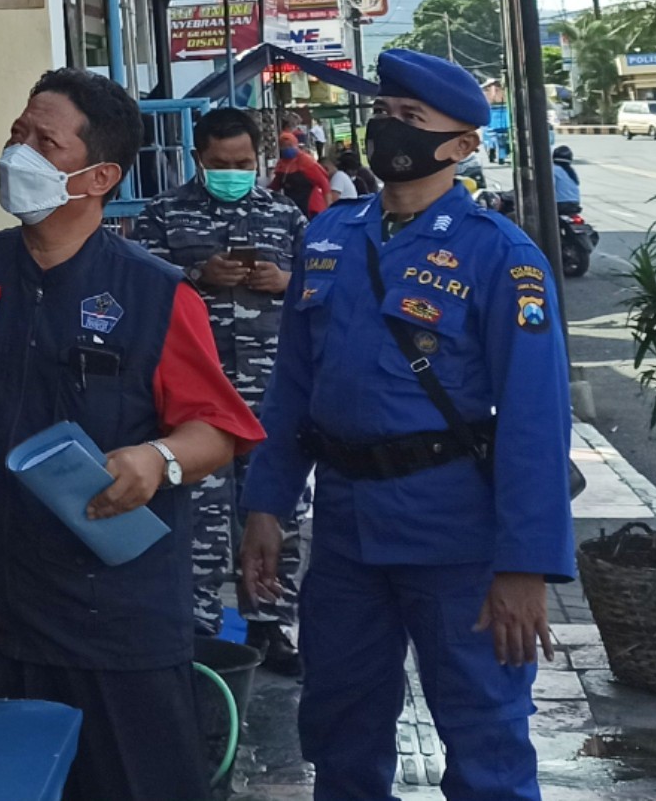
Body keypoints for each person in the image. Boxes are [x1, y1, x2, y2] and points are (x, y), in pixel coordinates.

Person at [0, 69, 263, 800]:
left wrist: (159, 459)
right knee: (22, 785)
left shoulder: (154, 292)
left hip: (118, 618)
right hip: (0, 607)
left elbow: (219, 429)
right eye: (17, 133)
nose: (18, 151)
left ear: (99, 175)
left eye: (44, 140)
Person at [241, 49, 578, 801]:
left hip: (456, 530)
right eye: (386, 112)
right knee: (340, 720)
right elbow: (293, 385)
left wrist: (527, 566)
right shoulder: (329, 236)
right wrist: (266, 502)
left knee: (484, 729)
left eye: (412, 119)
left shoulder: (500, 254)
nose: (389, 127)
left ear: (460, 146)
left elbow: (535, 420)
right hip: (346, 528)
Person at [132, 106, 310, 671]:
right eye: (219, 164)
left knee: (274, 512)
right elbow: (137, 288)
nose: (232, 171)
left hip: (268, 398)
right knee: (198, 521)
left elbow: (323, 294)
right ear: (198, 159)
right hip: (196, 403)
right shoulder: (163, 215)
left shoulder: (285, 216)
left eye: (242, 163)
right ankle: (198, 632)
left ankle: (271, 625)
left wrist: (286, 282)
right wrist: (198, 275)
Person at [271, 128, 335, 217]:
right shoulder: (282, 164)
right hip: (292, 207)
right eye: (283, 146)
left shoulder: (306, 161)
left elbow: (324, 183)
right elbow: (275, 185)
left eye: (289, 145)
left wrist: (329, 208)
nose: (286, 148)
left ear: (295, 145)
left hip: (311, 207)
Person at [548, 145, 581, 218]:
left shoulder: (553, 170)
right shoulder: (571, 171)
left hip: (560, 204)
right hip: (575, 203)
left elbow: (549, 187)